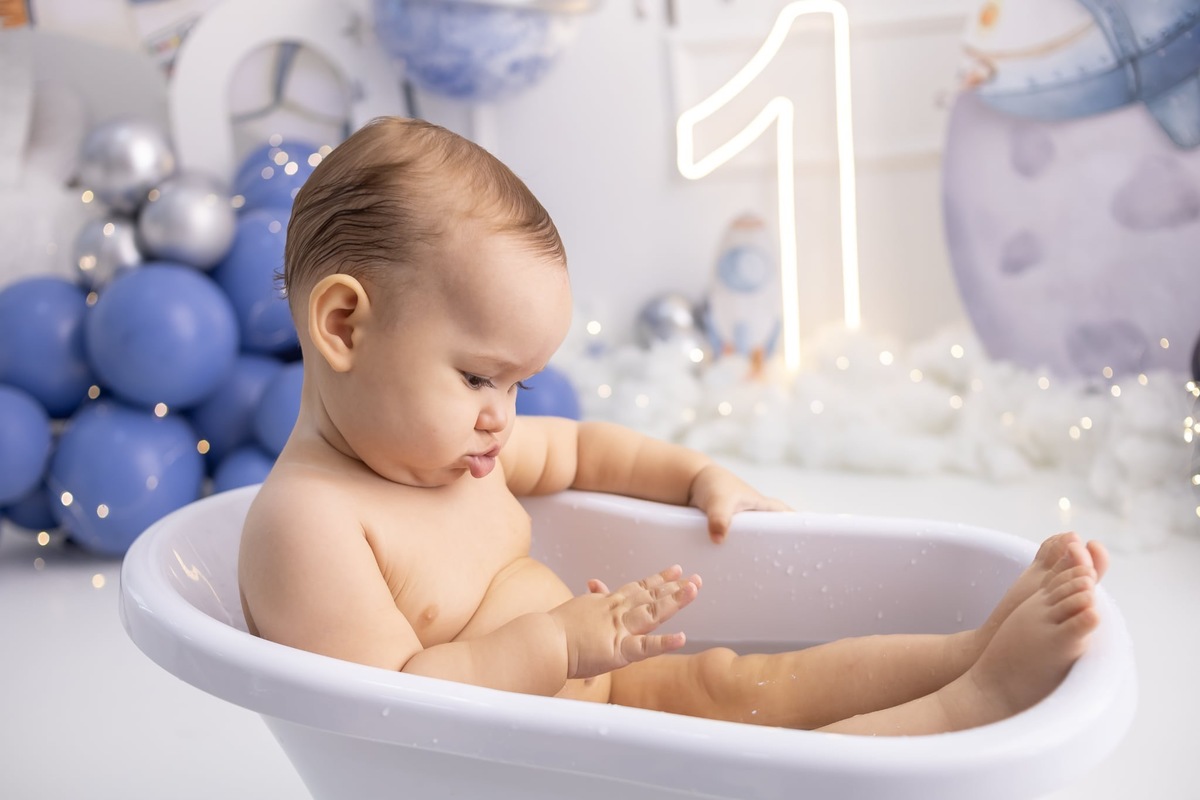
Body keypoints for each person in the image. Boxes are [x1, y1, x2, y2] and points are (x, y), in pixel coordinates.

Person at [239, 117, 1108, 735]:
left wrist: (696, 478)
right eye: (476, 377)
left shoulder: (450, 451)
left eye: (518, 385)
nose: (503, 417)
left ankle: (966, 651)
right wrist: (556, 643)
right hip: (536, 768)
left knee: (744, 687)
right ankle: (980, 702)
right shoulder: (310, 523)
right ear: (346, 326)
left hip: (602, 707)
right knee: (766, 770)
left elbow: (582, 449)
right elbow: (393, 708)